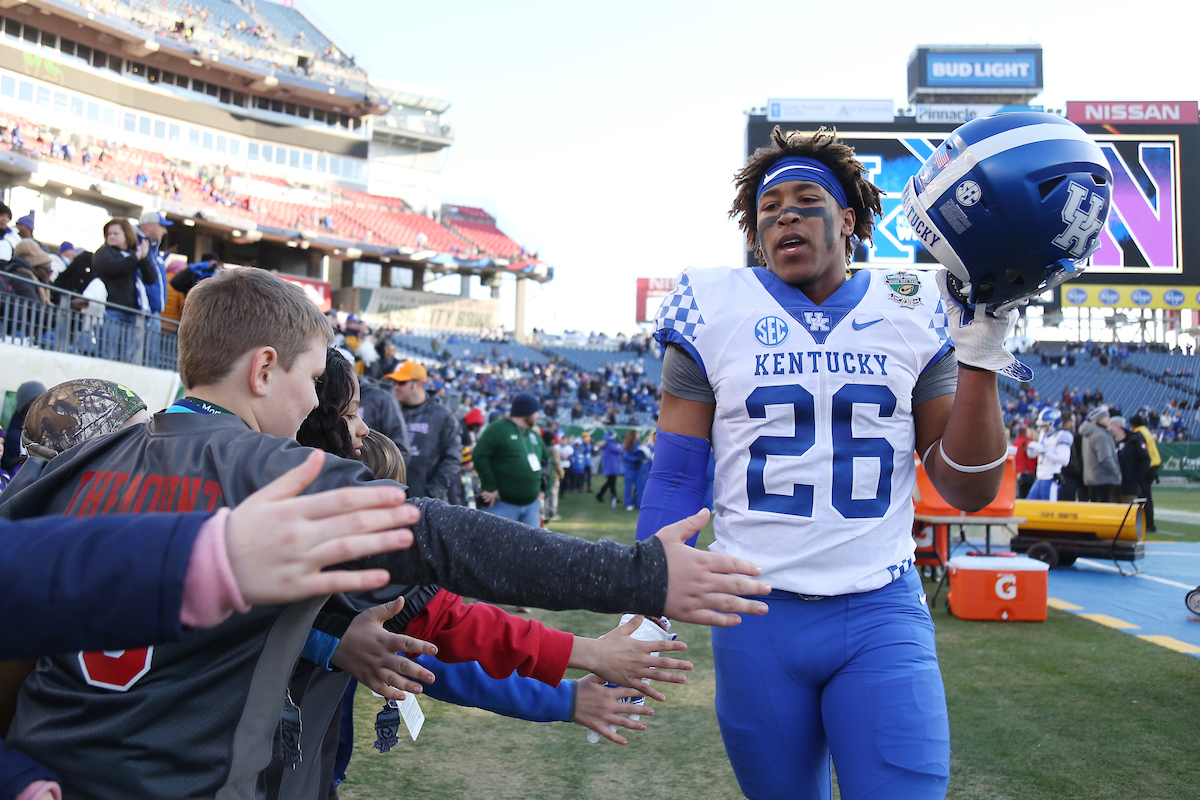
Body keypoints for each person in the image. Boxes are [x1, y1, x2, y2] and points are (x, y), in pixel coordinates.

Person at [0, 268, 769, 799]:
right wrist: (642, 576)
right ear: (265, 369)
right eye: (308, 381)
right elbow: (445, 539)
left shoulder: (72, 464)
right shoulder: (278, 473)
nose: (313, 409)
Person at [634, 123, 1042, 800]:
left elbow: (965, 489)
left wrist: (979, 358)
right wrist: (645, 598)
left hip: (880, 608)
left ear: (848, 219)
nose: (784, 214)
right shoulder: (711, 307)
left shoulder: (914, 306)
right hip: (754, 616)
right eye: (769, 209)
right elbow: (677, 474)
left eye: (804, 199)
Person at [386, 360, 460, 501]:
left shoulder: (443, 416)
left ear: (419, 383)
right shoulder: (389, 412)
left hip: (427, 502)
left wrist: (431, 494)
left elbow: (453, 459)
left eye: (402, 383)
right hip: (392, 498)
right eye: (394, 382)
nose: (395, 387)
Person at [473, 392, 548, 527]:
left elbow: (547, 461)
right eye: (535, 411)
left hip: (531, 506)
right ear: (526, 412)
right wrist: (490, 486)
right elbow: (480, 455)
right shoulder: (499, 428)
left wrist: (544, 490)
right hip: (502, 506)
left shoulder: (533, 435)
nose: (538, 415)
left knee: (530, 547)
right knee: (497, 547)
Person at [1026, 409, 1073, 501]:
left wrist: (1044, 451)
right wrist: (1032, 450)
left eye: (1045, 425)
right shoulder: (1044, 435)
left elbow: (1064, 460)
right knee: (1030, 505)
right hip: (1040, 477)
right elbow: (1035, 454)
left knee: (1048, 511)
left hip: (1051, 478)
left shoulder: (1062, 436)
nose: (1042, 428)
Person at [1, 381, 45, 475]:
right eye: (37, 400)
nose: (42, 405)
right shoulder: (14, 437)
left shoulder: (41, 432)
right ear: (27, 404)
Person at [1079, 405, 1121, 502]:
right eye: (1106, 417)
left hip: (1091, 477)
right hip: (1103, 478)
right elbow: (1105, 458)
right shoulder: (1100, 435)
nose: (1109, 419)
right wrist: (1115, 472)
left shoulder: (1089, 434)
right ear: (1099, 419)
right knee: (1103, 510)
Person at [1108, 416, 1150, 505]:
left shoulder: (1134, 440)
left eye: (1111, 426)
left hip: (1129, 486)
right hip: (1112, 486)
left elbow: (1145, 459)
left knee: (1129, 513)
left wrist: (1135, 478)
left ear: (1118, 426)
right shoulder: (1109, 441)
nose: (1109, 428)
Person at [1129, 414, 1160, 531]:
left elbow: (1142, 452)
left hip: (1148, 466)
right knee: (1146, 495)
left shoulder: (1139, 434)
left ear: (1132, 425)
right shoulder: (1145, 431)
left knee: (1144, 496)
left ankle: (1148, 523)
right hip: (1154, 464)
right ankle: (1148, 522)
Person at [595, 429, 623, 507]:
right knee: (611, 482)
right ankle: (600, 495)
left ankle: (612, 497)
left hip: (610, 465)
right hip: (611, 466)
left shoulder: (608, 443)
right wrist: (622, 445)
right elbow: (618, 450)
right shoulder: (610, 444)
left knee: (611, 482)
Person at [622, 429, 647, 510]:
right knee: (628, 487)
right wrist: (636, 459)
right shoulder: (628, 443)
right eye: (637, 433)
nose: (639, 435)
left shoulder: (638, 443)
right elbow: (626, 456)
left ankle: (636, 502)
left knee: (638, 486)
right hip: (629, 469)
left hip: (637, 469)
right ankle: (628, 503)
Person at [1013, 424, 1037, 499]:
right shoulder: (1029, 443)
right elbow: (1036, 458)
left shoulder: (1014, 443)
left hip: (1017, 475)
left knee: (1019, 497)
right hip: (1029, 473)